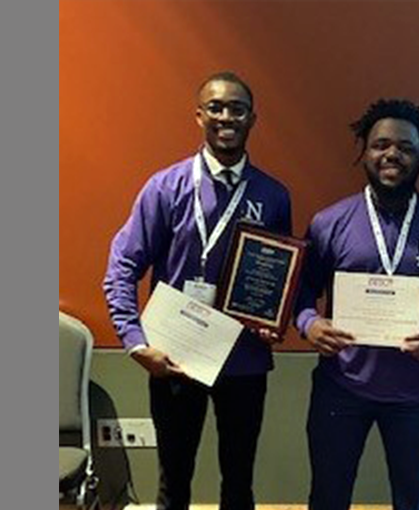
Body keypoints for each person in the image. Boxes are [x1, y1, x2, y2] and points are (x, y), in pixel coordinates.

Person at [103, 71, 292, 510]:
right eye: (216, 107)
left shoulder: (273, 195)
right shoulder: (164, 188)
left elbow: (277, 274)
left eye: (237, 108)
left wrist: (273, 320)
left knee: (239, 481)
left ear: (253, 118)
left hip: (243, 358)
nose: (227, 116)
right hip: (175, 357)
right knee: (174, 482)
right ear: (199, 115)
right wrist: (135, 342)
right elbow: (122, 266)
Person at [294, 98, 419, 510]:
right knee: (327, 498)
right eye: (381, 144)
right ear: (364, 151)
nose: (392, 155)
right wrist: (310, 323)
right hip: (341, 389)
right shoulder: (330, 223)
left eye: (405, 147)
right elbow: (301, 291)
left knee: (411, 500)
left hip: (415, 395)